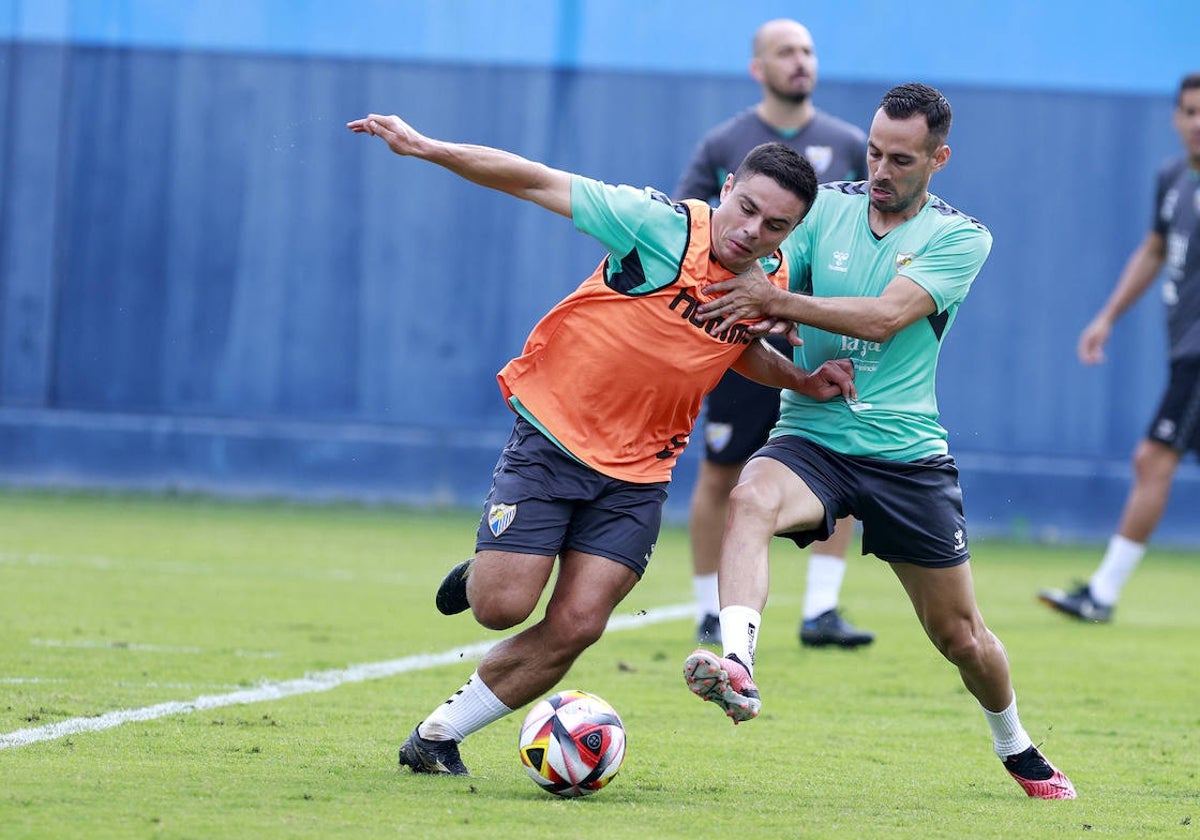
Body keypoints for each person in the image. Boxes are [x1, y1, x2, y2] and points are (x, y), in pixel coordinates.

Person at [347, 114, 857, 776]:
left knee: (581, 623)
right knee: (502, 607)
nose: (752, 232)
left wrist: (802, 381)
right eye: (746, 209)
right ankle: (483, 576)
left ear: (791, 233)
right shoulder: (657, 225)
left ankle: (437, 736)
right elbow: (532, 180)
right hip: (555, 438)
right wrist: (426, 147)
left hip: (641, 473)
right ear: (727, 186)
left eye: (774, 227)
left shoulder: (770, 279)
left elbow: (739, 347)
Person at [679, 83, 1077, 799]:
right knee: (749, 500)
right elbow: (761, 272)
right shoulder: (822, 208)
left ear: (938, 158)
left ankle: (1013, 741)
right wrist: (765, 302)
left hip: (906, 456)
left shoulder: (961, 237)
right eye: (872, 151)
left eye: (900, 158)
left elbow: (883, 318)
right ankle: (736, 663)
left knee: (961, 637)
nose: (881, 170)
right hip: (812, 437)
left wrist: (781, 304)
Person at [676, 18, 873, 649]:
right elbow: (692, 229)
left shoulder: (847, 143)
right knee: (721, 470)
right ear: (758, 66)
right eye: (786, 52)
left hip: (818, 337)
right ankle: (710, 607)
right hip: (742, 330)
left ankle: (822, 609)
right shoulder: (725, 143)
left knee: (841, 464)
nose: (801, 62)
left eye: (809, 51)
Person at [1039, 72, 1200, 623]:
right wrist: (1106, 317)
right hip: (1184, 348)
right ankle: (1102, 594)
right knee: (1154, 461)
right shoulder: (1173, 178)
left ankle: (1103, 594)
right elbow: (1154, 250)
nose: (1198, 123)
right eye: (1191, 111)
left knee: (1152, 458)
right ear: (1176, 118)